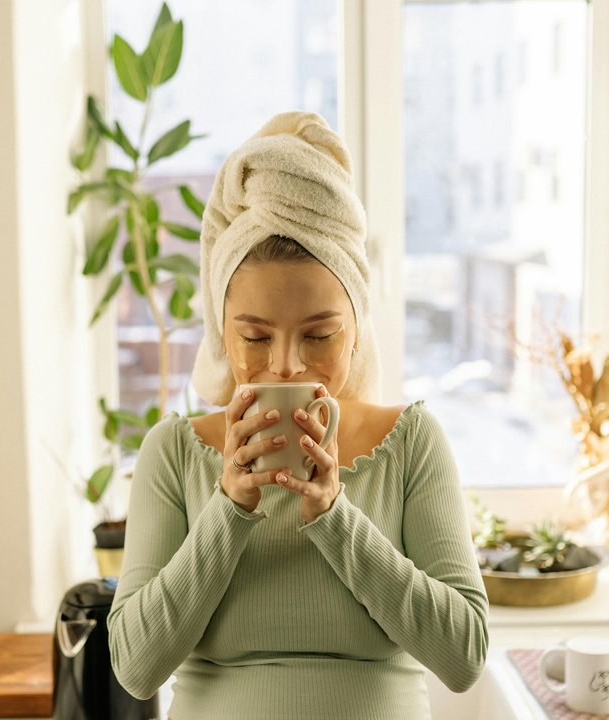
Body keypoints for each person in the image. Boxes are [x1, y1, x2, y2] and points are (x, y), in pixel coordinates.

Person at [107, 111, 488, 719]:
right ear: (221, 335)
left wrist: (335, 517)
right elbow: (135, 667)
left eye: (319, 336)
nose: (286, 367)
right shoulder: (173, 453)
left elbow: (464, 657)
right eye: (255, 338)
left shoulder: (412, 442)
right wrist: (228, 509)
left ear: (356, 330)